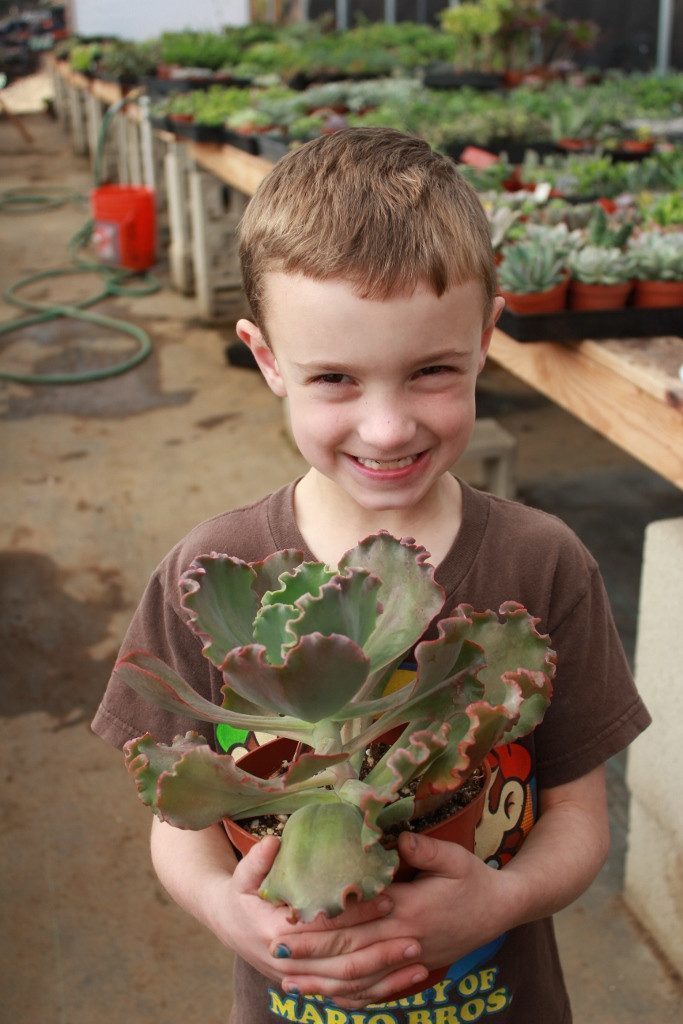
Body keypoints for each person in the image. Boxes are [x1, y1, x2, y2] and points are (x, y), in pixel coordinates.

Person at [92, 127, 650, 1024]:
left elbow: (580, 818)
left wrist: (500, 900)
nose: (386, 429)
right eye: (335, 380)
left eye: (432, 371)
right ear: (267, 359)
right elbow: (179, 820)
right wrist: (224, 911)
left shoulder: (540, 563)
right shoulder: (206, 574)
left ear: (486, 338)